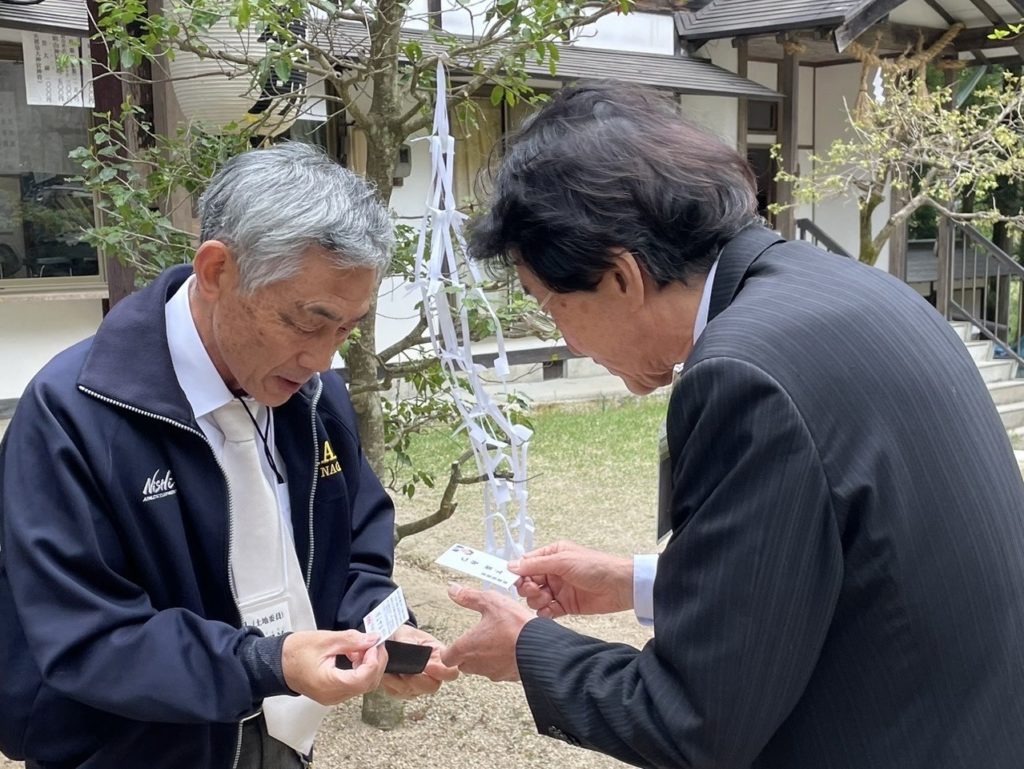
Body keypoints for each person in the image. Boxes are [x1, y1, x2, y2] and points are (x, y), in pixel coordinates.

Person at [441, 83, 1024, 768]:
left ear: (621, 277)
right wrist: (635, 580)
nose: (565, 339)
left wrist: (527, 649)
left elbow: (693, 721)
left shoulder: (741, 374)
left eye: (550, 305)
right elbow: (840, 568)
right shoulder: (856, 290)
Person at [0, 143, 457, 769]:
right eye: (308, 322)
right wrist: (264, 664)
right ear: (216, 271)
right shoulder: (75, 413)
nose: (322, 358)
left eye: (346, 329)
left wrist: (384, 628)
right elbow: (87, 634)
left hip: (287, 737)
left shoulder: (314, 398)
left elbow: (355, 548)